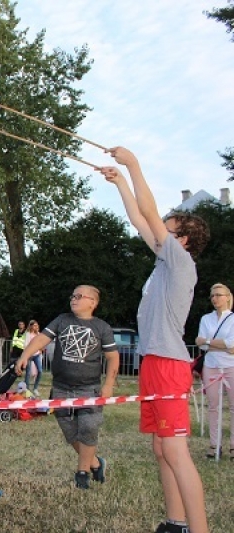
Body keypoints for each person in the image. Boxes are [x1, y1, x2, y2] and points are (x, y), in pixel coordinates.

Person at [101, 146, 210, 533]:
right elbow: (139, 218)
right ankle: (176, 523)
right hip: (154, 362)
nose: (159, 227)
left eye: (168, 227)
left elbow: (148, 213)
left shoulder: (181, 262)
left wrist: (133, 165)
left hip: (168, 364)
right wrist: (120, 182)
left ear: (183, 240)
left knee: (176, 451)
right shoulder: (165, 260)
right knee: (162, 448)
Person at [15, 285, 120, 489]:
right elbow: (41, 339)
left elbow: (113, 357)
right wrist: (25, 355)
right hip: (61, 387)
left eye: (79, 296)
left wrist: (109, 384)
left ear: (93, 302)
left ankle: (82, 474)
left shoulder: (102, 327)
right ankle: (96, 463)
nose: (73, 299)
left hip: (89, 389)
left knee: (88, 428)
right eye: (72, 295)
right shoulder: (62, 320)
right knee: (70, 432)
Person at [195, 283, 234, 460]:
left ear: (227, 297)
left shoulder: (232, 319)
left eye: (218, 295)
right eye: (212, 295)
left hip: (231, 365)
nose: (215, 298)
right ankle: (214, 444)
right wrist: (221, 345)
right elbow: (200, 344)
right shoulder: (206, 319)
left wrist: (209, 342)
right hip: (211, 365)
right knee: (213, 406)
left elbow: (231, 344)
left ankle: (233, 446)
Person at [23, 320, 44, 397]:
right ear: (31, 326)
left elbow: (40, 343)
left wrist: (41, 348)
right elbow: (26, 344)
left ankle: (35, 388)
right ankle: (27, 389)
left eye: (37, 325)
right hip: (29, 355)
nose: (36, 327)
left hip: (37, 354)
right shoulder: (28, 334)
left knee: (40, 371)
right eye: (35, 325)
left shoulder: (38, 334)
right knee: (28, 373)